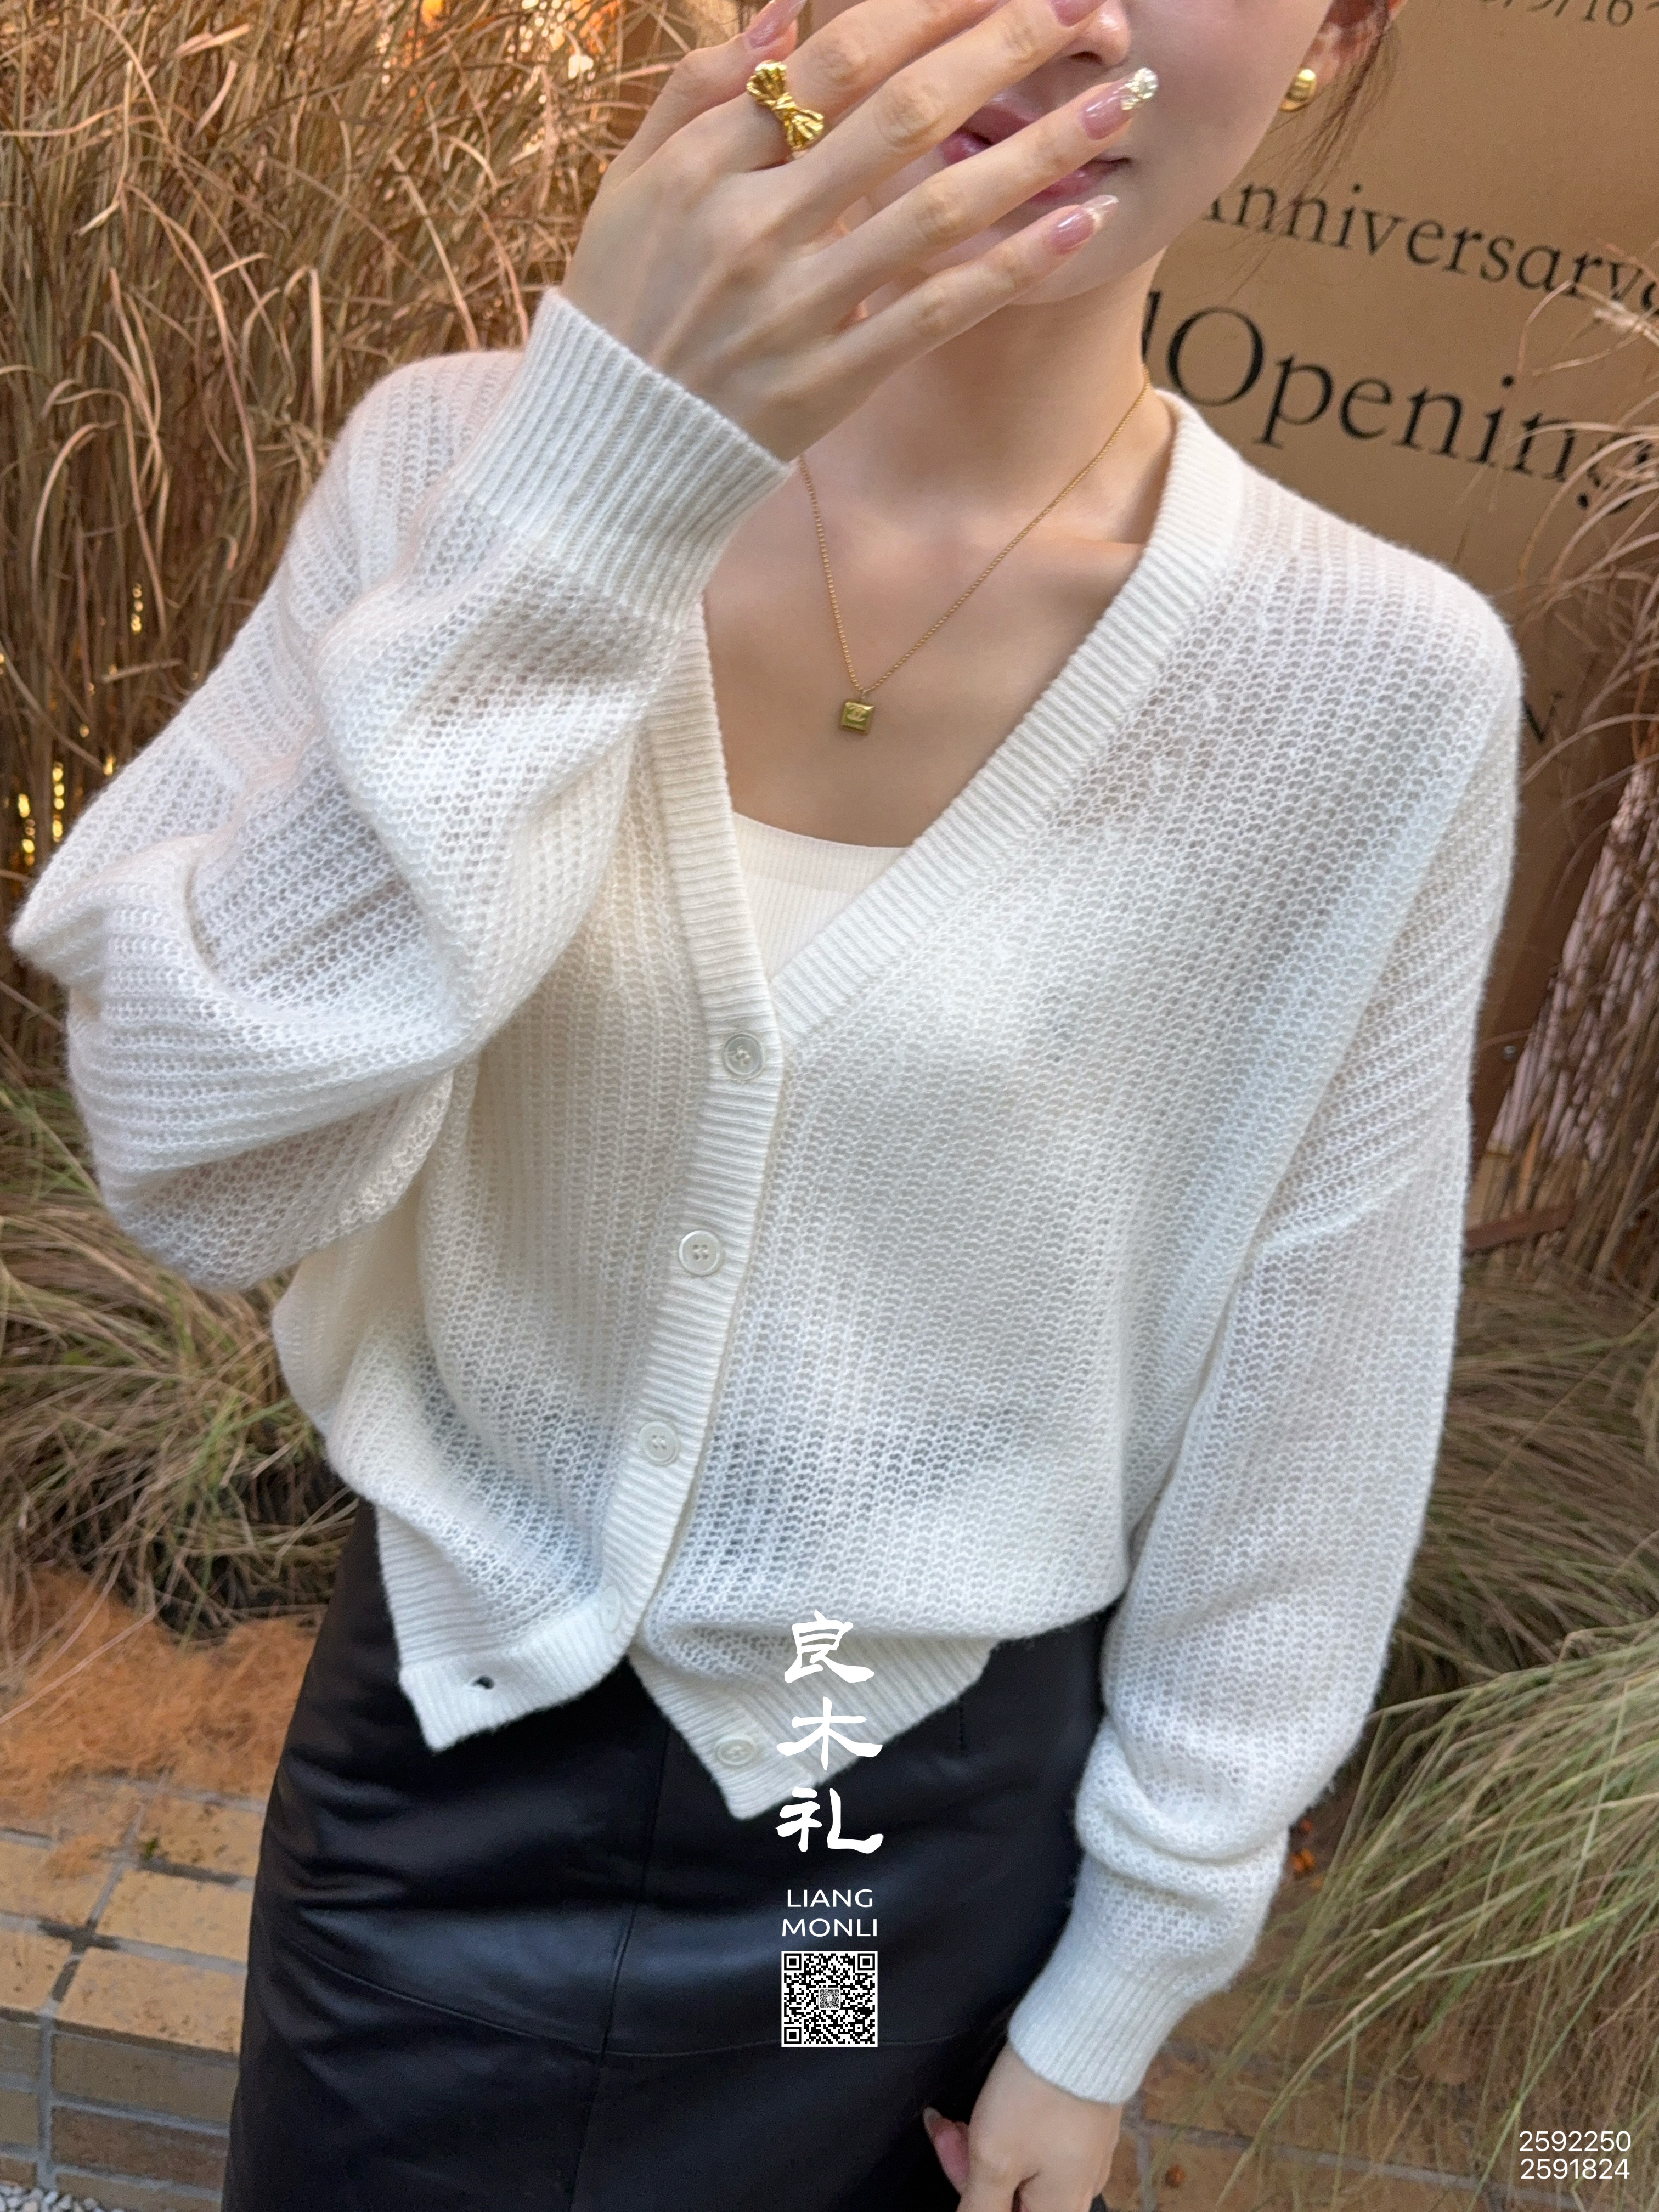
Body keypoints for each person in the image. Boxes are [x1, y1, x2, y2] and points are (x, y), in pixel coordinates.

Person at [9, 0, 1521, 2199]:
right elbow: (201, 1158)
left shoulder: (1375, 690)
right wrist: (598, 486)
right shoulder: (461, 477)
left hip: (864, 1836)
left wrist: (1114, 2000)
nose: (1068, 15)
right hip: (446, 1775)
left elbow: (1319, 1391)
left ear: (1335, 32)